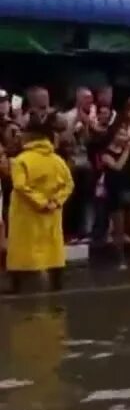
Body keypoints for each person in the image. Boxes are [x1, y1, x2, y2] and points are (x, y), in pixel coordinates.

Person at [5, 117, 73, 294]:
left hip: (26, 212)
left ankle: (16, 285)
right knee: (53, 247)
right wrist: (55, 201)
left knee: (22, 248)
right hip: (52, 211)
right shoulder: (57, 160)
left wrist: (40, 202)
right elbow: (69, 184)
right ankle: (57, 281)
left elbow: (20, 185)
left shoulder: (20, 160)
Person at [100, 122, 130, 270]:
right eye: (120, 134)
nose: (123, 137)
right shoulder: (106, 153)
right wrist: (127, 150)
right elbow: (117, 167)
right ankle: (121, 261)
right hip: (116, 191)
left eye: (124, 134)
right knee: (119, 229)